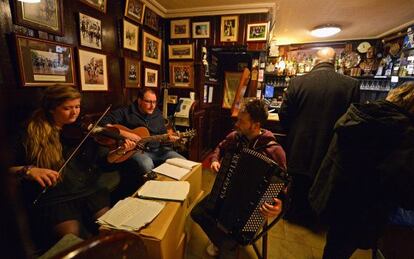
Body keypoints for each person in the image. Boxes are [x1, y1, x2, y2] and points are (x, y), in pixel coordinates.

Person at [9, 86, 135, 252]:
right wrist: (29, 170)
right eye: (67, 108)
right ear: (51, 109)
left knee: (110, 228)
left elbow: (101, 163)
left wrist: (117, 153)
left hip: (87, 190)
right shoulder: (29, 132)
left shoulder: (82, 130)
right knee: (71, 239)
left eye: (77, 106)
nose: (74, 113)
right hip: (55, 196)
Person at [309, 81, 414, 259]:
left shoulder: (357, 114)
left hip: (335, 192)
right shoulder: (403, 133)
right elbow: (401, 187)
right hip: (361, 208)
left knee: (335, 245)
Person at [192, 99, 287, 258]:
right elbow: (220, 147)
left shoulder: (274, 151)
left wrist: (279, 205)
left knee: (235, 235)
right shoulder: (235, 137)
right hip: (227, 191)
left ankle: (226, 245)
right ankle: (223, 243)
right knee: (198, 212)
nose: (236, 124)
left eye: (241, 121)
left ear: (255, 125)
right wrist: (215, 160)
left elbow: (283, 186)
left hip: (253, 207)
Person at [278, 47, 360, 225]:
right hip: (330, 144)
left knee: (298, 182)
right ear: (334, 62)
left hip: (299, 143)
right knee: (322, 182)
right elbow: (352, 120)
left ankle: (294, 215)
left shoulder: (297, 82)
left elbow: (284, 114)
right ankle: (317, 218)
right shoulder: (351, 84)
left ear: (315, 61)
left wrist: (292, 132)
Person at [100, 88, 185, 200]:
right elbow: (102, 123)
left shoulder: (157, 114)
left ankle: (175, 192)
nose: (152, 106)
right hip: (137, 151)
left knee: (181, 161)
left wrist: (169, 139)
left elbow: (163, 136)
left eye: (154, 102)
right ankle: (151, 195)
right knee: (146, 163)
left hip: (159, 151)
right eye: (148, 102)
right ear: (139, 101)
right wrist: (127, 134)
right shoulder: (126, 112)